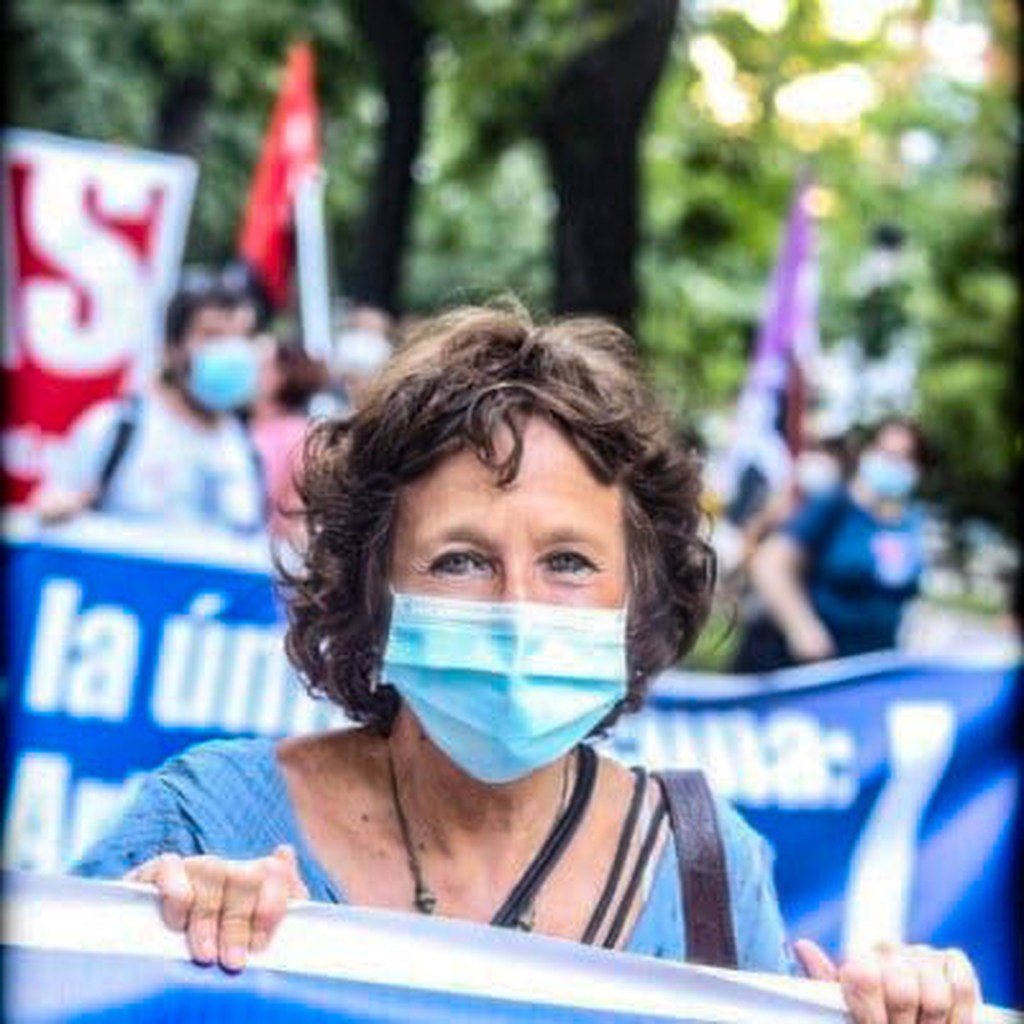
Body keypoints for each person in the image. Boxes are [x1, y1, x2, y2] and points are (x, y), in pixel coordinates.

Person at [74, 308, 978, 1021]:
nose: (519, 607)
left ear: (638, 598)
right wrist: (145, 936)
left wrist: (901, 1012)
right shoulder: (206, 823)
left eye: (569, 563)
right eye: (461, 560)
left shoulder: (706, 872)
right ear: (373, 586)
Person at [33, 284, 266, 534]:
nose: (232, 351)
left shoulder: (246, 449)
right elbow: (51, 508)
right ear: (171, 349)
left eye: (243, 337)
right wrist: (56, 512)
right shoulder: (113, 429)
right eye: (213, 336)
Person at [742, 417, 927, 669]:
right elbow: (769, 563)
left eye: (903, 457)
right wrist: (802, 628)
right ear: (869, 453)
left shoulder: (911, 523)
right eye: (886, 454)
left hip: (874, 670)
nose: (892, 464)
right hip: (817, 669)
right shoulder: (835, 504)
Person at [249, 335, 329, 543]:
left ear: (281, 376)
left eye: (259, 366)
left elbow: (297, 517)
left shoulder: (300, 438)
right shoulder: (237, 429)